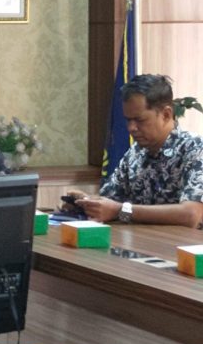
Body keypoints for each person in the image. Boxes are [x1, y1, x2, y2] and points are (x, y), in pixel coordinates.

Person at [68, 74, 203, 228]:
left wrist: (121, 210)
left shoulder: (196, 150)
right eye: (128, 120)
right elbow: (111, 200)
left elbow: (192, 215)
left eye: (140, 120)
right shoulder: (136, 153)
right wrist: (88, 203)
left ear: (166, 115)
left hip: (180, 243)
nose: (131, 128)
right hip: (139, 240)